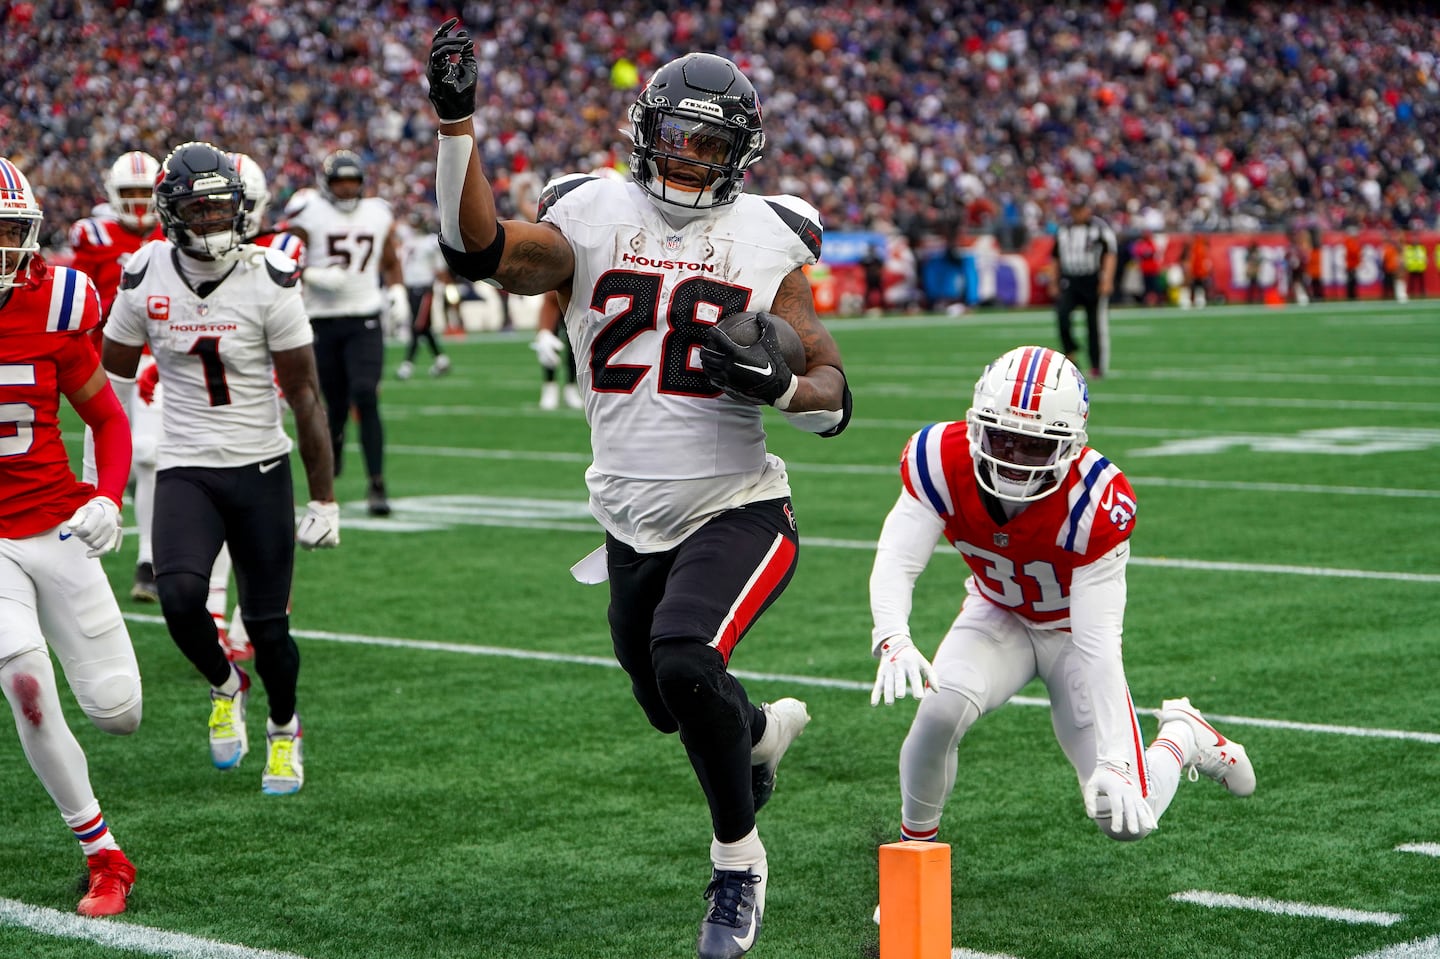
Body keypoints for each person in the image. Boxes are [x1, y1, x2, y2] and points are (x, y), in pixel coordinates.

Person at [427, 24, 854, 959]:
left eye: (707, 143)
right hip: (627, 514)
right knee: (672, 701)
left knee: (683, 658)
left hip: (736, 502)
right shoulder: (591, 212)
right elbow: (477, 249)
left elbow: (832, 395)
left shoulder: (767, 236)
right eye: (674, 135)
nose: (685, 156)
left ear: (739, 154)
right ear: (642, 130)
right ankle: (756, 733)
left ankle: (738, 864)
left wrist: (780, 387)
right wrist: (455, 125)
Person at [867, 346, 1255, 884]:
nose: (1012, 457)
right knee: (937, 714)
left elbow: (1098, 644)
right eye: (1001, 436)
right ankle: (914, 867)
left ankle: (1182, 737)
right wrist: (893, 636)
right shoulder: (940, 457)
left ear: (1071, 444)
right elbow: (898, 558)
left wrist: (1119, 760)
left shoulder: (1095, 500)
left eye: (1033, 444)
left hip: (1071, 636)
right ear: (977, 423)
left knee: (1121, 817)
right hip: (996, 614)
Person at [102, 142, 340, 796]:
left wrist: (324, 500)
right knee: (177, 597)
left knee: (269, 630)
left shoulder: (268, 277)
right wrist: (105, 480)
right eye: (197, 211)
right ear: (170, 215)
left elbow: (306, 395)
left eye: (220, 209)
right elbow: (111, 382)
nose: (211, 223)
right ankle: (224, 683)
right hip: (186, 465)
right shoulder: (144, 271)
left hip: (260, 466)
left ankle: (285, 728)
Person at [0, 155, 143, 916]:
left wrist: (108, 497)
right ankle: (104, 853)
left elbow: (107, 416)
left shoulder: (56, 302)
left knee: (120, 709)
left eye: (7, 231)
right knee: (24, 680)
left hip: (55, 523)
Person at [283, 149, 406, 517]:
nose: (348, 188)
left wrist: (397, 291)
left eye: (353, 181)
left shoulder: (378, 213)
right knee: (331, 406)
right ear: (327, 184)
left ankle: (377, 483)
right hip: (321, 320)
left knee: (366, 396)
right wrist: (312, 275)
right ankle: (330, 471)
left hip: (365, 317)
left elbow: (389, 259)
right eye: (341, 182)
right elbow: (283, 255)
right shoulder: (310, 213)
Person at [68, 150, 165, 603]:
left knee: (148, 455)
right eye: (130, 195)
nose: (141, 204)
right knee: (97, 456)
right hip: (103, 360)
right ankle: (90, 555)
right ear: (113, 196)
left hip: (155, 360)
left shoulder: (172, 232)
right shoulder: (93, 234)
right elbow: (77, 298)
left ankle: (147, 559)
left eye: (147, 194)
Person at [1049, 193, 1116, 378]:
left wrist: (1107, 279)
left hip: (1092, 279)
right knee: (1062, 316)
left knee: (1094, 324)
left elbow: (1110, 253)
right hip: (1070, 279)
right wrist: (1054, 281)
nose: (1078, 213)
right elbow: (1055, 257)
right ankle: (1070, 353)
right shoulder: (1063, 229)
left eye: (1081, 209)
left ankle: (1097, 365)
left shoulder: (1099, 228)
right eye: (1075, 210)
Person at [395, 210, 453, 381]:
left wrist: (445, 286)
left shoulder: (430, 242)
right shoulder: (406, 240)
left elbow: (440, 268)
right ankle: (441, 360)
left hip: (425, 287)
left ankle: (407, 365)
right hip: (409, 287)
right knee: (423, 327)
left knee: (417, 326)